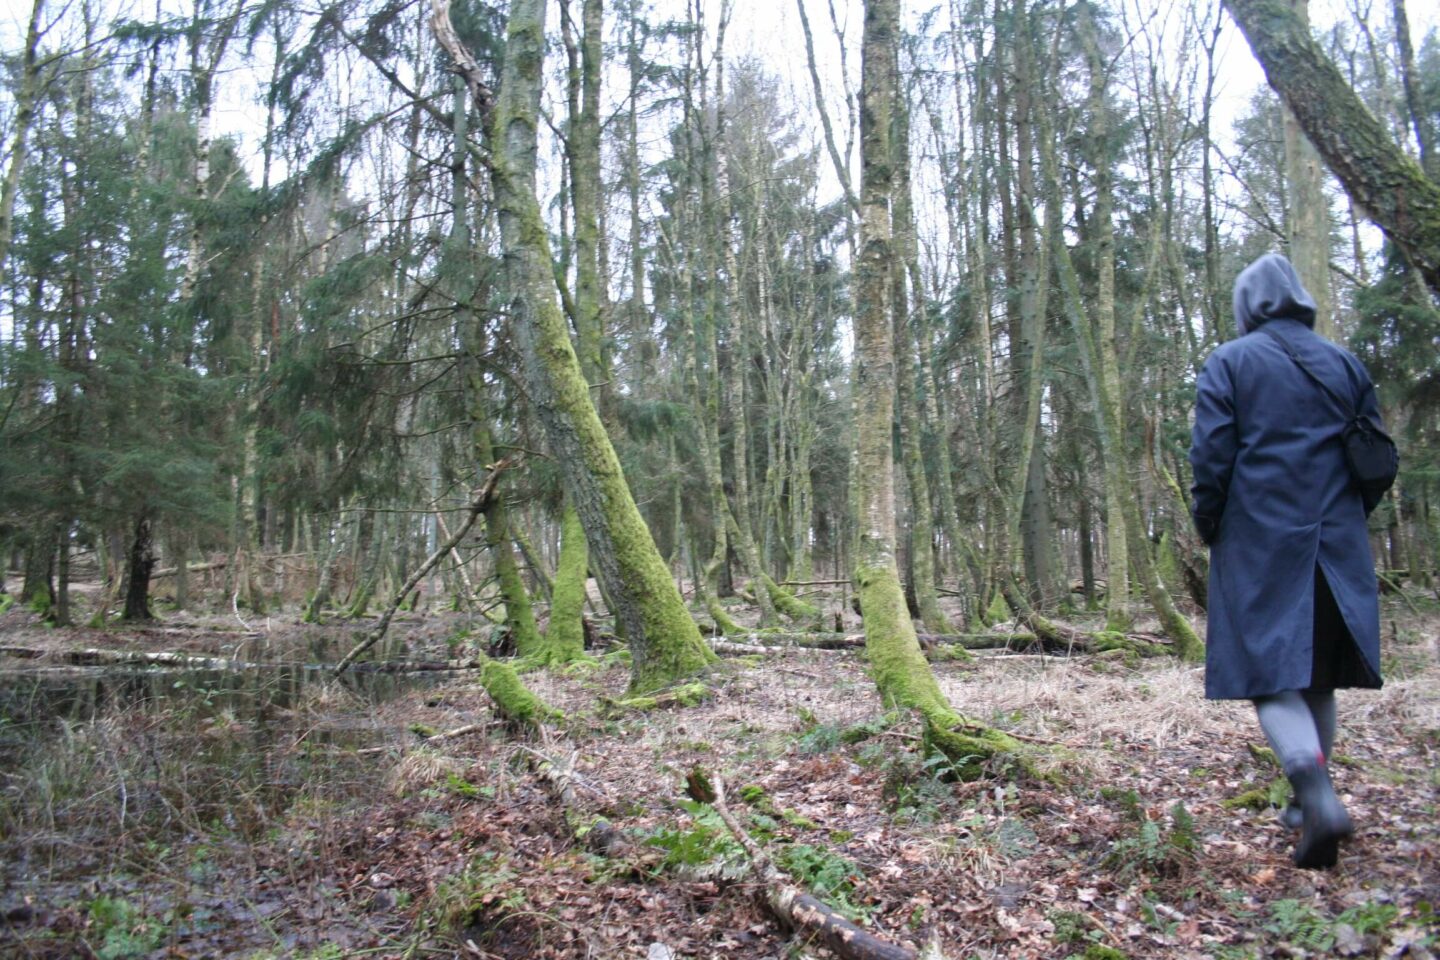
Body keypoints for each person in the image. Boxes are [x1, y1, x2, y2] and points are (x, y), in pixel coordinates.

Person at [1189, 252, 1385, 870]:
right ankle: (1306, 809)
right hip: (1337, 537)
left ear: (1247, 304)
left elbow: (1212, 455)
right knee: (1317, 672)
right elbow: (1376, 454)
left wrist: (1210, 521)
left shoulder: (1231, 361)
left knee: (1266, 673)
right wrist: (1351, 516)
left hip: (1260, 537)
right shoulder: (1344, 363)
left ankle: (1316, 797)